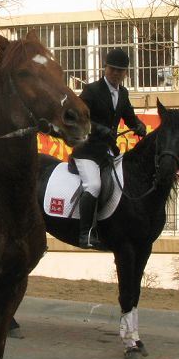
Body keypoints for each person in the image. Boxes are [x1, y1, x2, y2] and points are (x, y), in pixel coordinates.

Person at [71, 48, 147, 249]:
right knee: (94, 186)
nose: (115, 74)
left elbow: (129, 117)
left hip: (108, 152)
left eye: (120, 71)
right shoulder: (91, 90)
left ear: (125, 73)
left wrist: (138, 126)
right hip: (87, 151)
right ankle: (85, 233)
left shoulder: (123, 93)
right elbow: (79, 118)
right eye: (112, 69)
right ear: (105, 68)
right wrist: (99, 129)